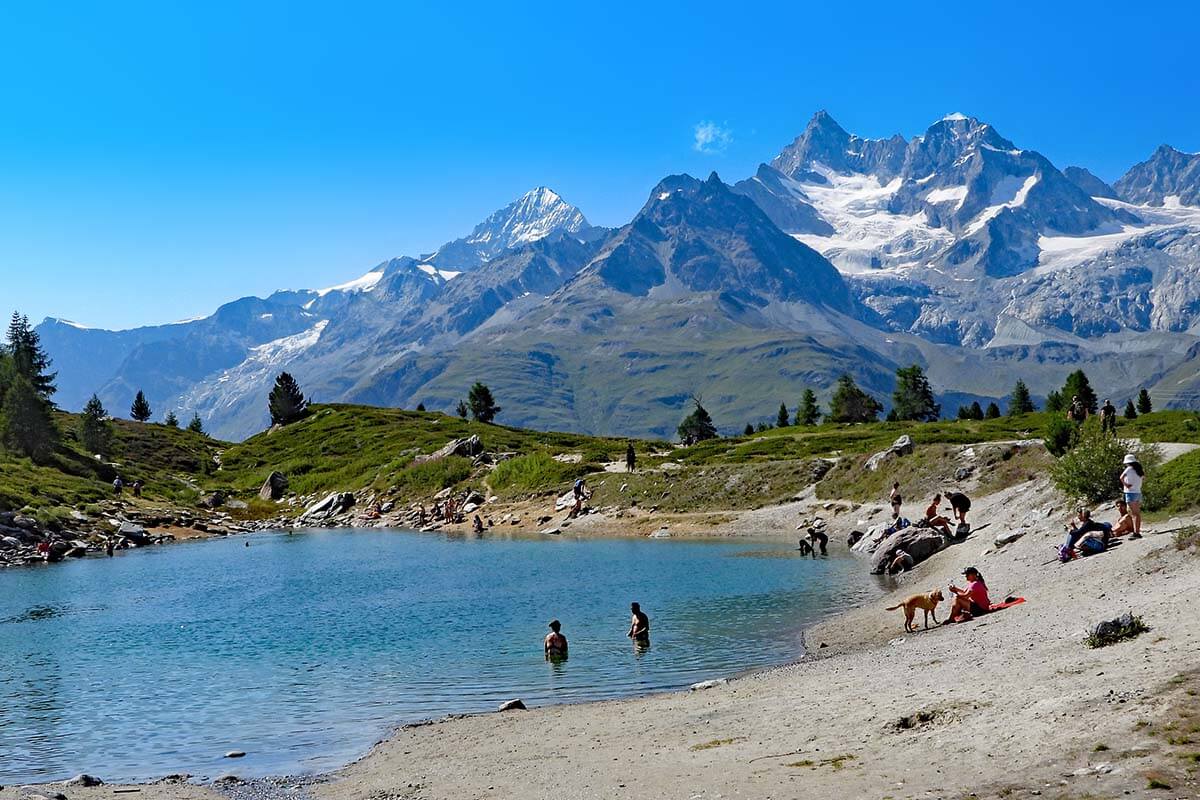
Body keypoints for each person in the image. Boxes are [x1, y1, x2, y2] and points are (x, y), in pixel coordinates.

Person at [1120, 454, 1144, 538]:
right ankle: (1136, 531)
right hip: (1138, 492)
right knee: (1137, 513)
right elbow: (1144, 478)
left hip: (1130, 493)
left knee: (1133, 513)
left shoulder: (1129, 469)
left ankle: (1136, 532)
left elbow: (1121, 477)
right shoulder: (1139, 469)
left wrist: (1126, 485)